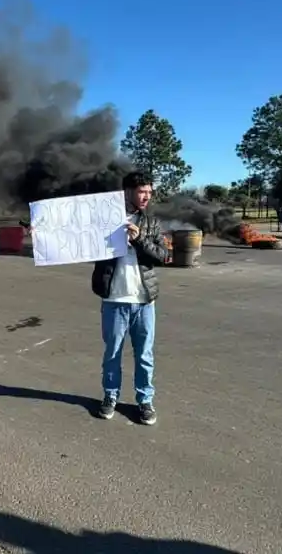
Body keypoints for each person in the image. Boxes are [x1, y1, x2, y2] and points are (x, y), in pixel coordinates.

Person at [91, 171, 169, 426]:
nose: (146, 196)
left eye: (149, 191)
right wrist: (43, 234)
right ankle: (110, 396)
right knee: (112, 353)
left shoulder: (152, 223)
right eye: (141, 191)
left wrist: (139, 239)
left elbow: (162, 256)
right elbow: (73, 238)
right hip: (114, 299)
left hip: (144, 301)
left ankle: (144, 400)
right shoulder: (103, 220)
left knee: (144, 354)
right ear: (126, 191)